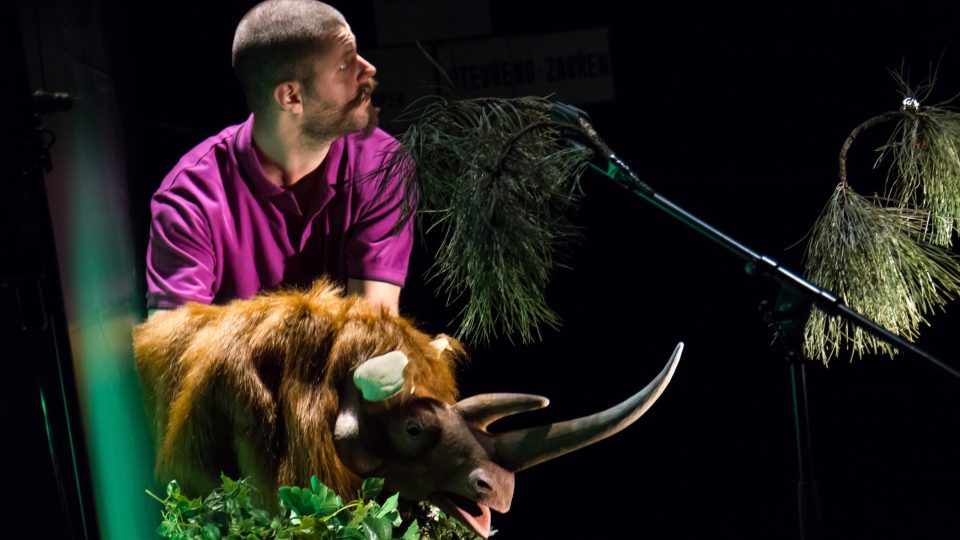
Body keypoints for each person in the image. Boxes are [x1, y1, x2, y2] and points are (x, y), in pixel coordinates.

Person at [146, 0, 412, 317]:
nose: (368, 69)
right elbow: (173, 351)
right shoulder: (189, 196)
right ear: (292, 97)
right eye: (343, 65)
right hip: (233, 369)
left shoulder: (383, 166)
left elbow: (369, 331)